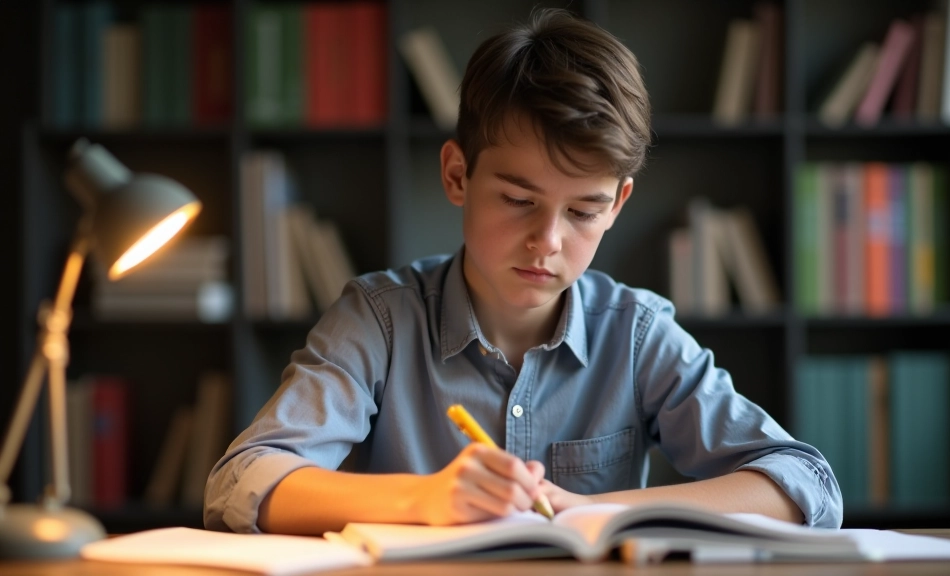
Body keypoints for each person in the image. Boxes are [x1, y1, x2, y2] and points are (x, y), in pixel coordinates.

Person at [205, 9, 842, 535]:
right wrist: (424, 500)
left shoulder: (637, 335)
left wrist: (592, 511)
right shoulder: (381, 322)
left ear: (617, 205)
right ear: (458, 175)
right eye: (517, 201)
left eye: (584, 211)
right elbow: (243, 480)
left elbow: (807, 485)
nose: (547, 241)